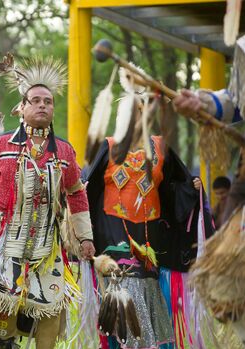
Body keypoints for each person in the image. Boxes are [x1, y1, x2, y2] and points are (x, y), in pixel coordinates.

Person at [0, 53, 94, 349]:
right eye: (36, 100)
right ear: (22, 107)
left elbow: (77, 194)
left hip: (48, 245)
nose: (43, 105)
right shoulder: (2, 145)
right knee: (4, 307)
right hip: (9, 242)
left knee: (51, 308)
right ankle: (4, 343)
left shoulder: (64, 152)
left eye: (48, 101)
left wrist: (85, 237)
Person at [86, 75, 213, 348]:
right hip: (114, 235)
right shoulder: (107, 146)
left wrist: (191, 189)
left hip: (150, 238)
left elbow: (171, 188)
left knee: (150, 292)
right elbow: (90, 189)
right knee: (123, 291)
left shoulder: (160, 147)